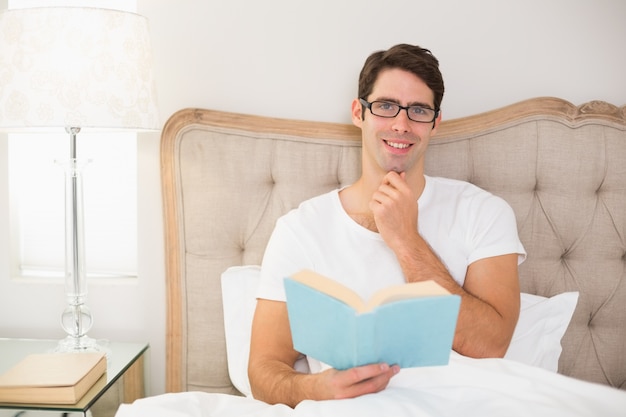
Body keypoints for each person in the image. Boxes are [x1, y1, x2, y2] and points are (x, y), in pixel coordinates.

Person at [248, 43, 526, 407]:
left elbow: (491, 344)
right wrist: (318, 389)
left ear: (435, 123)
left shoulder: (484, 213)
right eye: (385, 106)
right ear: (358, 113)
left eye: (419, 110)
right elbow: (264, 369)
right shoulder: (300, 230)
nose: (401, 124)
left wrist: (407, 240)